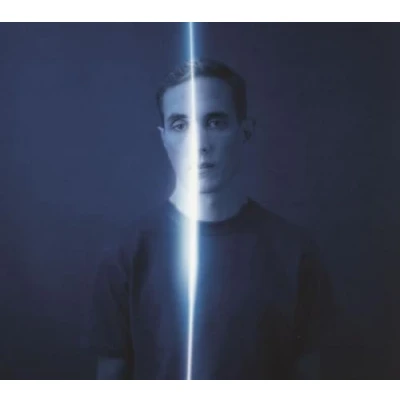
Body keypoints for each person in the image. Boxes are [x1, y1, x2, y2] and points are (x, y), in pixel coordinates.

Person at [89, 59, 335, 379]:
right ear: (164, 138)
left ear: (245, 131)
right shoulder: (125, 254)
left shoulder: (295, 251)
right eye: (181, 125)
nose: (199, 145)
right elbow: (111, 375)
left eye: (215, 122)